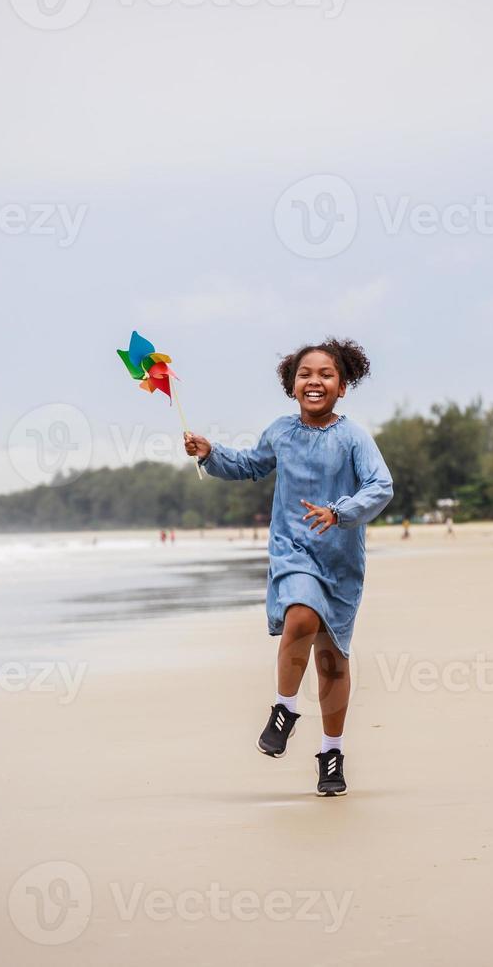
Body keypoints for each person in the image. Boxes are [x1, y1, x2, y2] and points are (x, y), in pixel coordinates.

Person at [184, 337, 393, 797]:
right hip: (293, 550)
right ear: (291, 383)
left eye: (326, 375)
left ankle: (331, 754)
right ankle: (284, 709)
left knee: (332, 661)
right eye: (305, 374)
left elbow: (381, 486)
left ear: (342, 386)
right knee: (300, 614)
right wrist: (209, 452)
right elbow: (249, 466)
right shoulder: (280, 431)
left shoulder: (354, 437)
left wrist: (338, 512)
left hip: (340, 559)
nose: (314, 381)